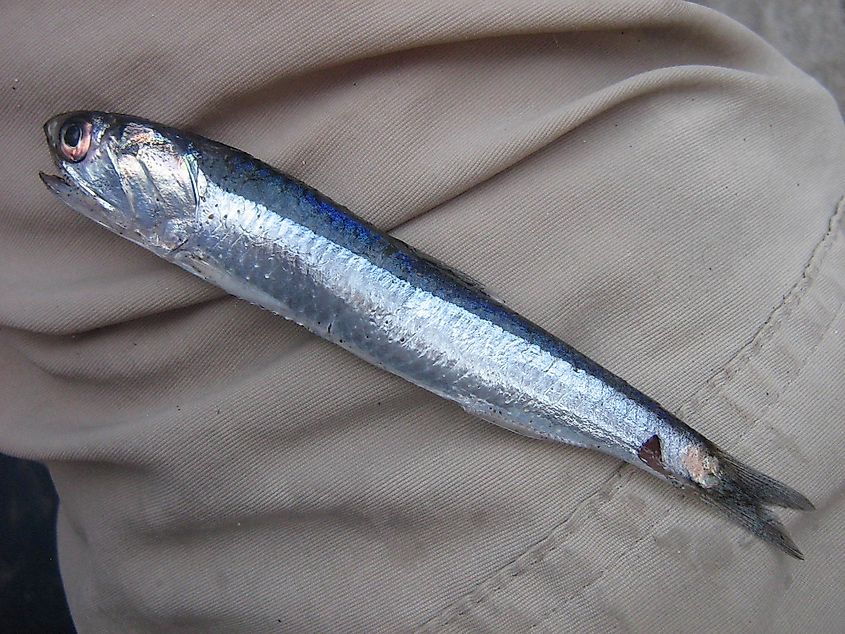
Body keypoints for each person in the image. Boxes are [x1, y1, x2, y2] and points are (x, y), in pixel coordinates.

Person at [1, 1, 843, 631]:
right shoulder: (185, 213)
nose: (70, 150)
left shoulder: (191, 207)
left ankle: (702, 467)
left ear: (162, 166)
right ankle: (705, 467)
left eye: (86, 141)